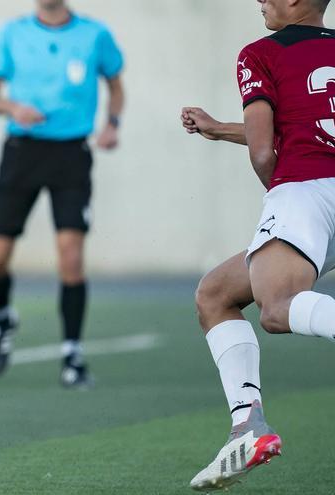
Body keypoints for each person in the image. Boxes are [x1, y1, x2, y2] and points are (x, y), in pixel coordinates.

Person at [180, 0, 334, 490]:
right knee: (216, 294)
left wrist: (282, 196)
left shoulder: (260, 53)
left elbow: (266, 148)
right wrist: (220, 129)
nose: (259, 1)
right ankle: (247, 425)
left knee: (276, 306)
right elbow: (306, 121)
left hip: (305, 194)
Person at [0, 0, 124, 385]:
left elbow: (116, 86)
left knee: (71, 255)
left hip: (71, 156)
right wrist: (13, 107)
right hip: (21, 152)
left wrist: (111, 124)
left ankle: (72, 355)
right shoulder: (13, 32)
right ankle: (3, 317)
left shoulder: (94, 34)